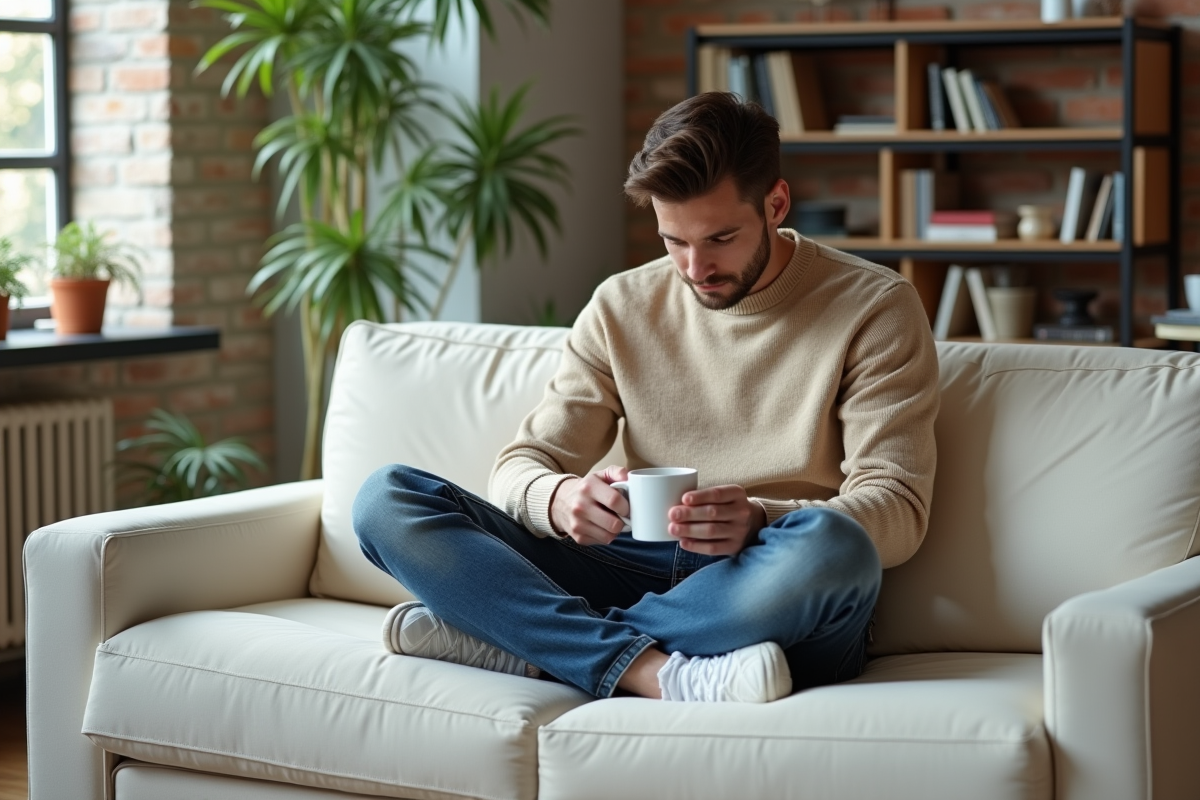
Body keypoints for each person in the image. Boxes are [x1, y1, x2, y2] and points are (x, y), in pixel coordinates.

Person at [353, 92, 939, 703]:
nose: (694, 267)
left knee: (834, 549)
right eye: (673, 241)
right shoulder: (620, 306)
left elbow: (897, 508)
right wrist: (557, 498)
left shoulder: (875, 307)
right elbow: (520, 465)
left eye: (720, 238)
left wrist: (762, 519)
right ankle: (649, 669)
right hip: (628, 563)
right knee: (386, 499)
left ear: (776, 203)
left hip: (762, 579)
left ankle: (527, 642)